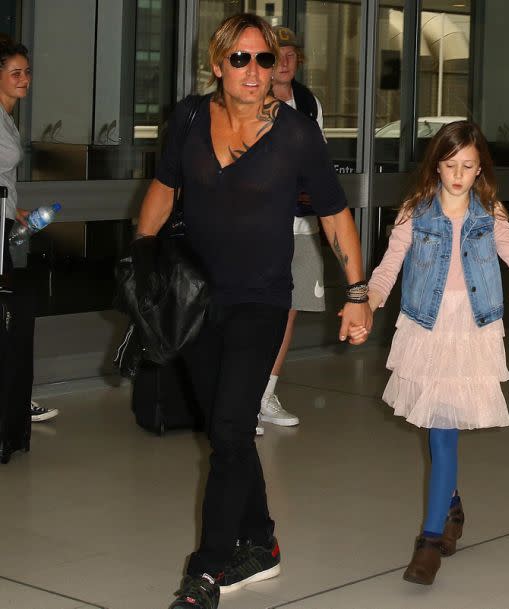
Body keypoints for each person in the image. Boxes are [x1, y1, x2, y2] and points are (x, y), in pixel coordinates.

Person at [134, 14, 372, 609]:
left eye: (264, 60)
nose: (254, 71)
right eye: (240, 59)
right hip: (195, 299)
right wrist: (142, 259)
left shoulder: (295, 135)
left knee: (232, 428)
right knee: (227, 429)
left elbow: (335, 214)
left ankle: (205, 572)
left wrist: (357, 292)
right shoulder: (189, 118)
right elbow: (164, 188)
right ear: (217, 64)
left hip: (261, 300)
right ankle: (262, 541)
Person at [358, 121, 509, 585]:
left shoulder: (489, 214)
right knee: (438, 434)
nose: (458, 174)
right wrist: (366, 306)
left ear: (480, 171)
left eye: (468, 166)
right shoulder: (416, 210)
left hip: (471, 331)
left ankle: (430, 540)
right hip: (425, 329)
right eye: (450, 165)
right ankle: (449, 509)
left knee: (444, 432)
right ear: (436, 166)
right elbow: (389, 267)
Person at [255, 26, 328, 430]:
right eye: (275, 54)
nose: (284, 61)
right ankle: (242, 395)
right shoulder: (251, 100)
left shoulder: (308, 103)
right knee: (255, 309)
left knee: (290, 310)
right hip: (260, 226)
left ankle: (266, 394)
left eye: (291, 54)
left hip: (303, 226)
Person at [0, 36, 58, 423]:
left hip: (3, 220)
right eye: (15, 73)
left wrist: (14, 209)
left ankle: (14, 399)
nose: (24, 79)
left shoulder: (7, 116)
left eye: (27, 72)